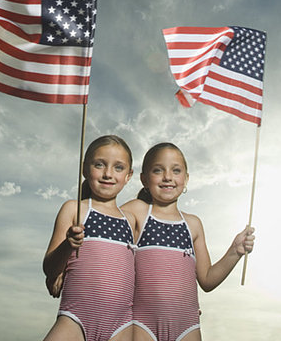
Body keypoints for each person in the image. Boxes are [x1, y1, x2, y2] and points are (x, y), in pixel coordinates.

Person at [122, 142, 255, 341]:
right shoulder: (137, 211)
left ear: (186, 178)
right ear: (144, 179)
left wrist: (235, 251)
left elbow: (207, 280)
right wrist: (65, 267)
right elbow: (99, 226)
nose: (168, 177)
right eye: (158, 170)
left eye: (176, 170)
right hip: (142, 323)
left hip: (187, 327)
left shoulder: (193, 224)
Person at [42, 134, 136, 341]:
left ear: (129, 175)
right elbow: (49, 268)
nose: (108, 174)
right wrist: (67, 246)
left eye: (118, 167)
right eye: (99, 165)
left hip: (121, 324)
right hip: (75, 318)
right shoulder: (74, 209)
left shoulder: (132, 219)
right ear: (85, 168)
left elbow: (147, 269)